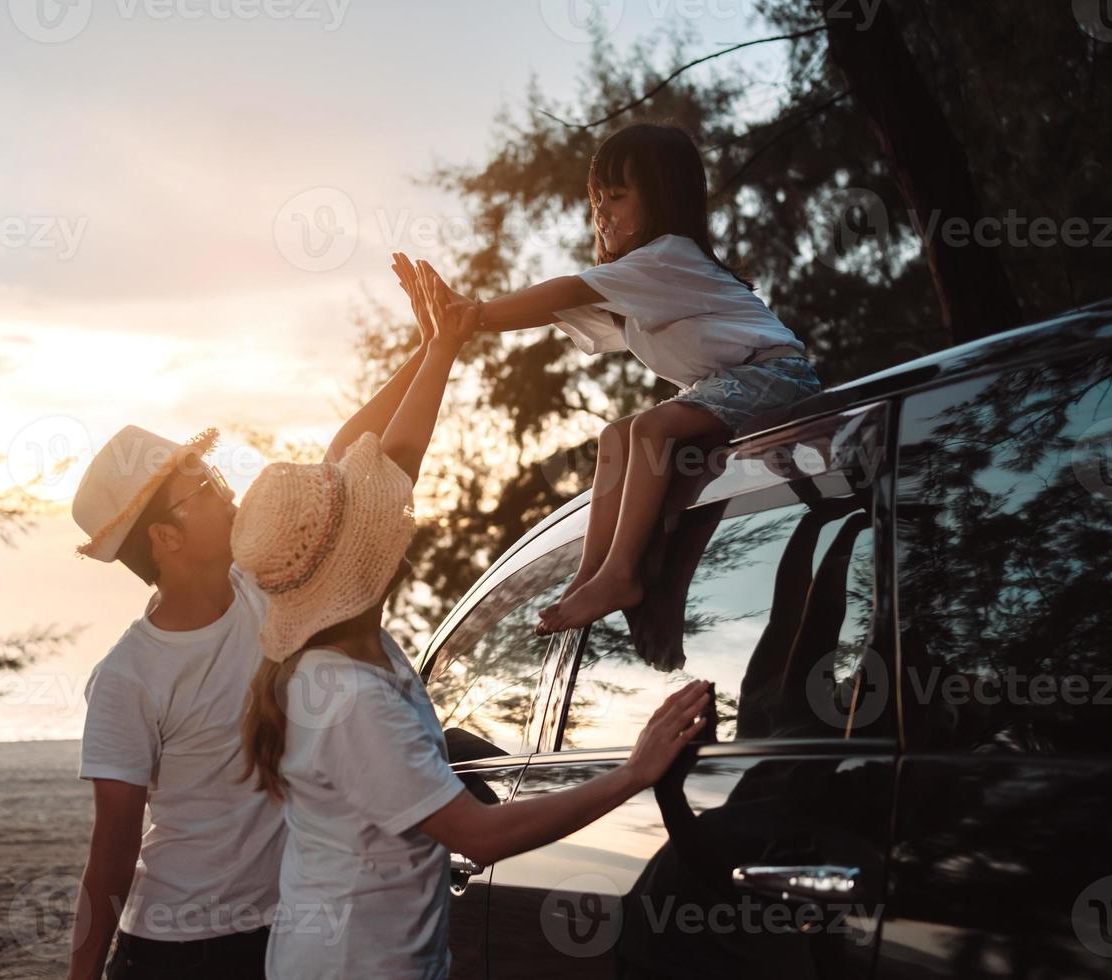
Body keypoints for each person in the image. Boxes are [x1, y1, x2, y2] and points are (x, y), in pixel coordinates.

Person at [231, 270, 713, 979]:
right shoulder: (348, 696)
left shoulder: (347, 643)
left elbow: (379, 455)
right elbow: (478, 837)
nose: (391, 510)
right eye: (370, 515)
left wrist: (438, 347)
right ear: (354, 558)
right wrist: (634, 772)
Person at [65, 266, 456, 980]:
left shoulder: (271, 588)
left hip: (285, 931)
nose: (229, 491)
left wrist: (434, 346)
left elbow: (352, 458)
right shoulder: (128, 677)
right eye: (205, 491)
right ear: (166, 541)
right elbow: (113, 850)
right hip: (176, 954)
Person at [401, 122, 822, 636]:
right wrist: (468, 320)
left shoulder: (667, 256)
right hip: (744, 382)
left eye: (617, 197)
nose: (601, 212)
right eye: (596, 199)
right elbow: (561, 308)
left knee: (648, 430)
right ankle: (589, 577)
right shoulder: (640, 282)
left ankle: (621, 572)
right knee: (615, 437)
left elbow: (563, 293)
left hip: (777, 375)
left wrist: (476, 313)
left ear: (663, 199)